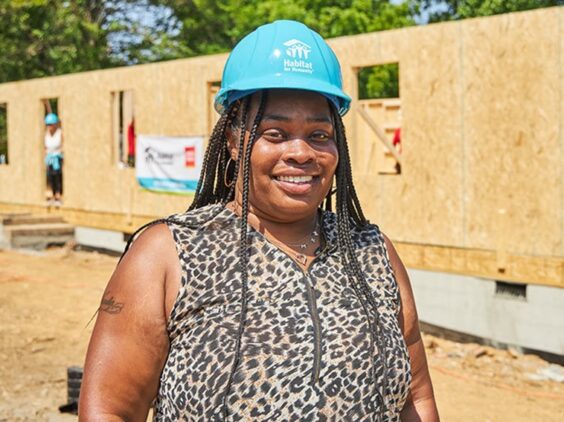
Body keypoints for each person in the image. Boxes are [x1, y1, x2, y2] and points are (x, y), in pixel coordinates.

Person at [80, 20, 439, 421]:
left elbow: (415, 398)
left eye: (320, 135)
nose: (301, 152)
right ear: (234, 141)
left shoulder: (372, 253)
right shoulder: (168, 255)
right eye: (275, 133)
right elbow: (109, 409)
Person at [44, 113, 63, 206]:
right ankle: (51, 195)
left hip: (57, 158)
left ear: (55, 124)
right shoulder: (46, 135)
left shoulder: (60, 133)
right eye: (47, 125)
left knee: (57, 176)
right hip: (49, 158)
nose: (49, 127)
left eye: (50, 124)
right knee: (50, 177)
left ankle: (58, 196)